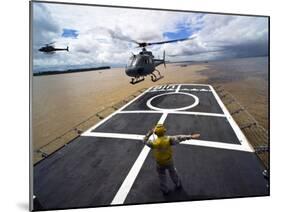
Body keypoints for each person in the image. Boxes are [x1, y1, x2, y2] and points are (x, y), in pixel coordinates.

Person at [143, 124, 200, 195]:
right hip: (169, 161)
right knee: (173, 172)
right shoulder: (168, 139)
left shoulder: (155, 143)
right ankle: (178, 183)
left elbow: (144, 140)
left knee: (161, 176)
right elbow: (179, 137)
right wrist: (190, 136)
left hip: (159, 163)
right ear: (164, 131)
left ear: (156, 133)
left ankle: (164, 189)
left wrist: (149, 133)